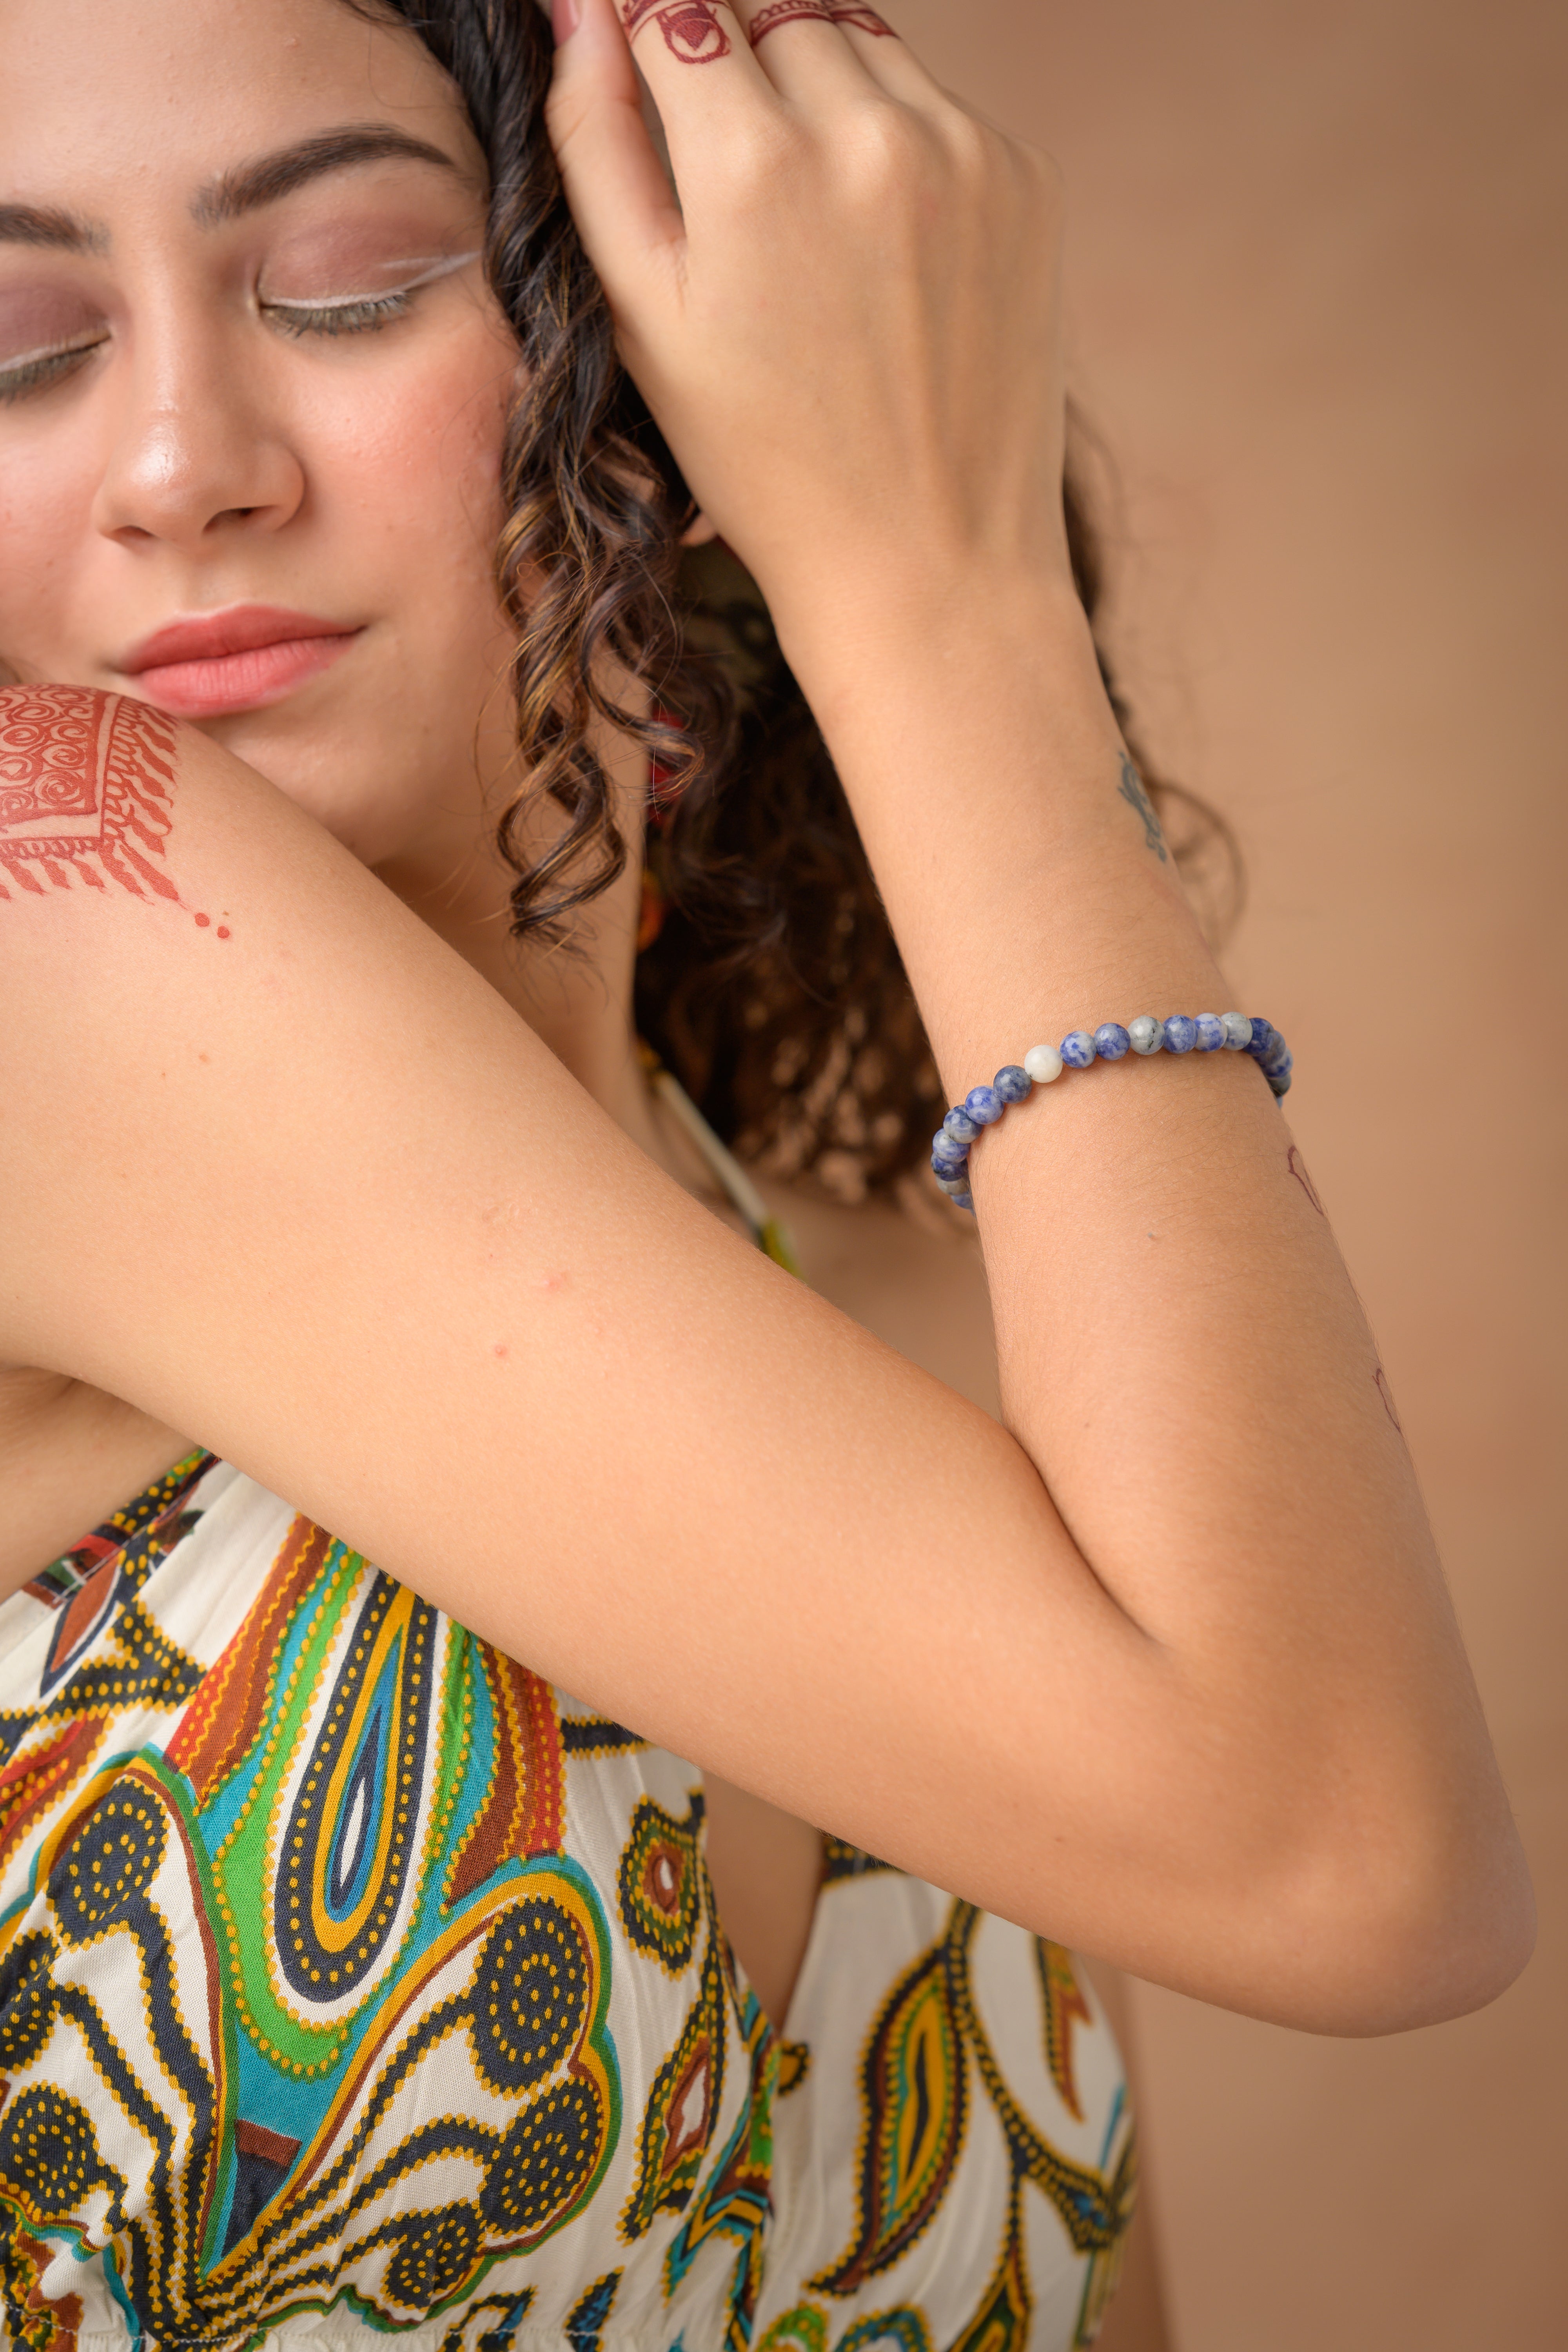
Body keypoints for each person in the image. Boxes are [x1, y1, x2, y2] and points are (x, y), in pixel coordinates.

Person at [0, 0, 1533, 2347]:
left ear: (662, 366)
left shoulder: (880, 1338)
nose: (187, 459)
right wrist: (944, 583)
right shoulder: (38, 920)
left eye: (335, 284)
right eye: (19, 348)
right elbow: (1356, 1863)